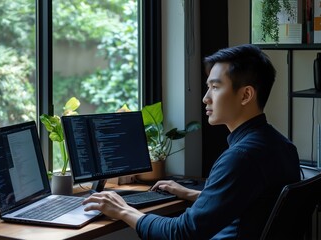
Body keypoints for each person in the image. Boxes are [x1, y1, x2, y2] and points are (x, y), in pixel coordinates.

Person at [82, 44, 301, 239]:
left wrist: (123, 210)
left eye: (215, 87)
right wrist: (195, 194)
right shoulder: (281, 146)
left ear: (245, 95)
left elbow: (182, 233)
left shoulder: (241, 157)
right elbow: (252, 202)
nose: (206, 97)